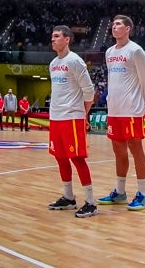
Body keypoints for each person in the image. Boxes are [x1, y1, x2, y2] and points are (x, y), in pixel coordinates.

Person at [97, 15, 145, 211]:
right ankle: (120, 192)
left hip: (131, 110)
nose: (114, 27)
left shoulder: (135, 50)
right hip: (114, 110)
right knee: (118, 151)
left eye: (118, 24)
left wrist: (142, 103)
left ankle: (143, 194)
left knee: (136, 149)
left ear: (128, 28)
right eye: (113, 24)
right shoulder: (109, 52)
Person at [45, 25, 98, 218]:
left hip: (72, 117)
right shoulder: (52, 64)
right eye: (52, 36)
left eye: (57, 36)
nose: (53, 39)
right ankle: (68, 197)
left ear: (67, 39)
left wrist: (83, 114)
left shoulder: (75, 61)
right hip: (56, 117)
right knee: (60, 157)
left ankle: (91, 202)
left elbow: (89, 91)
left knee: (77, 158)